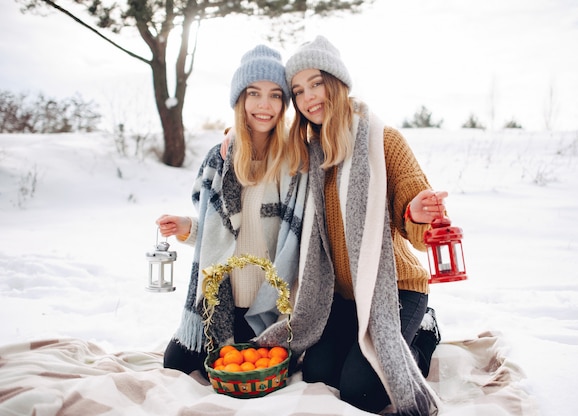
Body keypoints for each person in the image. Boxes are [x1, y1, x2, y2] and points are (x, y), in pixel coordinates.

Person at [255, 36, 444, 415]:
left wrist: (418, 215)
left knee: (362, 392)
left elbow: (416, 212)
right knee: (319, 376)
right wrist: (232, 138)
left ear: (337, 83)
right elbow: (261, 151)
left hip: (394, 291)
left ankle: (423, 333)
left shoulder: (382, 141)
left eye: (317, 83)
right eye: (298, 90)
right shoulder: (308, 155)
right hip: (341, 298)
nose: (309, 97)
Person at [156, 44, 308, 380]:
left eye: (274, 95)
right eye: (254, 94)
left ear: (284, 103)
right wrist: (185, 227)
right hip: (223, 299)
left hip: (269, 304)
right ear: (240, 100)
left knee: (262, 371)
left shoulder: (294, 161)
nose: (264, 105)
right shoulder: (220, 159)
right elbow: (217, 232)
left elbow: (299, 237)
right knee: (176, 363)